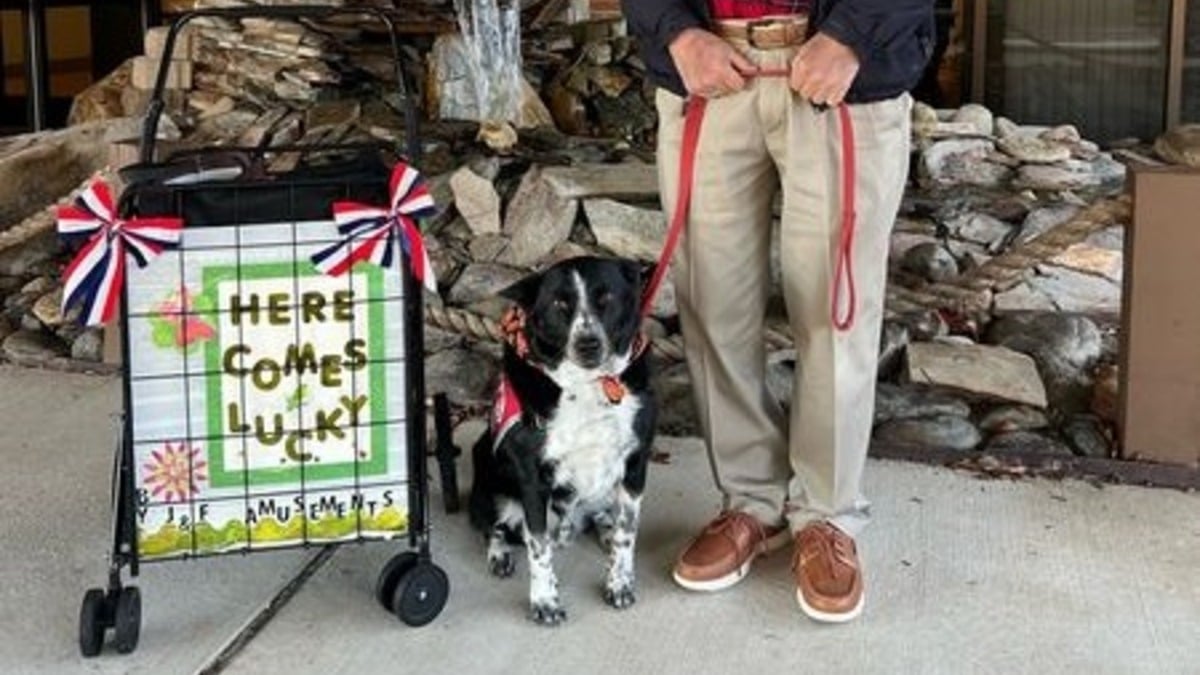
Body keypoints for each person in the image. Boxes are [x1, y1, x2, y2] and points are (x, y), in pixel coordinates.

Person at [621, 0, 935, 623]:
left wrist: (851, 36)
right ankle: (750, 501)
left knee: (834, 309)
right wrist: (676, 33)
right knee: (712, 301)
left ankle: (825, 514)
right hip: (710, 69)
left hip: (843, 71)